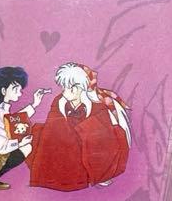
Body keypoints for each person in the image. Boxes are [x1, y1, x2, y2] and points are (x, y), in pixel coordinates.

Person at [28, 62, 131, 192]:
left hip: (87, 147)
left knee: (110, 137)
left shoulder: (96, 105)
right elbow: (52, 129)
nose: (62, 91)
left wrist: (82, 131)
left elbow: (102, 135)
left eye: (65, 87)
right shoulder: (59, 101)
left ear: (76, 88)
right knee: (38, 135)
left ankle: (97, 175)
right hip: (64, 145)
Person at [0, 66, 48, 190]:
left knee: (25, 146)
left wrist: (34, 104)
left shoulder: (0, 107)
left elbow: (12, 120)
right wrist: (20, 142)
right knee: (26, 147)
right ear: (3, 90)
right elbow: (1, 147)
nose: (20, 93)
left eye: (20, 89)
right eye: (15, 89)